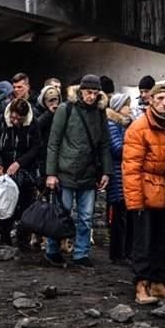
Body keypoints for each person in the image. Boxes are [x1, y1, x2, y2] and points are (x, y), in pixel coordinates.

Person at [123, 82, 165, 304]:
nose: (164, 103)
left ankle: (159, 283)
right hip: (146, 190)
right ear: (150, 100)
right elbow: (131, 168)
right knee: (143, 242)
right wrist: (135, 202)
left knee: (164, 240)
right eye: (160, 99)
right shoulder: (139, 127)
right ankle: (141, 285)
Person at [44, 74, 113, 268]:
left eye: (94, 93)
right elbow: (54, 142)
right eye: (88, 92)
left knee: (85, 217)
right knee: (61, 215)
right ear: (80, 91)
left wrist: (106, 171)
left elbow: (105, 145)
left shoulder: (100, 113)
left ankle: (81, 253)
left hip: (89, 172)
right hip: (65, 172)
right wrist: (51, 173)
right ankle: (53, 249)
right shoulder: (66, 109)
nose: (91, 96)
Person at [0, 98, 42, 250]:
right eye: (13, 117)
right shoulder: (1, 121)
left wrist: (20, 162)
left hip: (26, 170)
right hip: (5, 168)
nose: (15, 121)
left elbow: (36, 147)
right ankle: (5, 237)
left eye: (19, 119)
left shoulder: (33, 123)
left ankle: (23, 239)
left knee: (26, 206)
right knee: (5, 205)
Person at [106, 92, 133, 263]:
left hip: (122, 175)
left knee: (123, 217)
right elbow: (117, 148)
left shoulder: (121, 125)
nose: (129, 109)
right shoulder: (112, 125)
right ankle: (118, 254)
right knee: (119, 217)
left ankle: (122, 252)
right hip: (117, 176)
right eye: (126, 105)